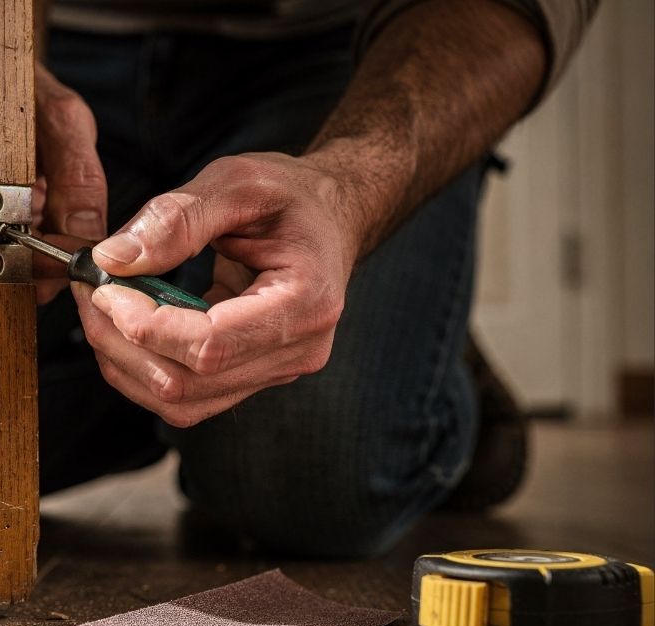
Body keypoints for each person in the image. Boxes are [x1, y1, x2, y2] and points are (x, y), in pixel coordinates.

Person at [33, 0, 597, 556]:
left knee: (307, 467)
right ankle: (369, 336)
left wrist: (345, 189)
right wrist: (2, 63)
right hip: (60, 51)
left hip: (355, 56)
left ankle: (403, 352)